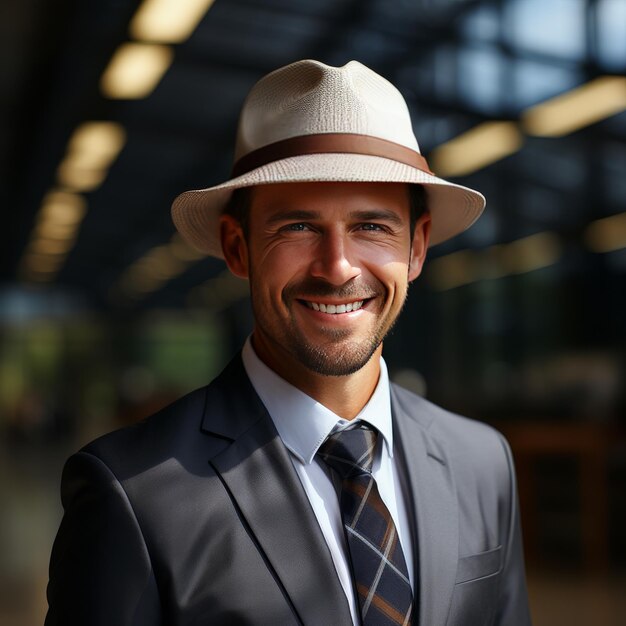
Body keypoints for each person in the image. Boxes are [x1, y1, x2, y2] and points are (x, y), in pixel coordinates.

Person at [45, 59, 531, 625]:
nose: (337, 267)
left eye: (372, 227)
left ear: (417, 248)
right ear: (237, 248)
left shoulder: (481, 462)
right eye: (297, 227)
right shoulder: (131, 493)